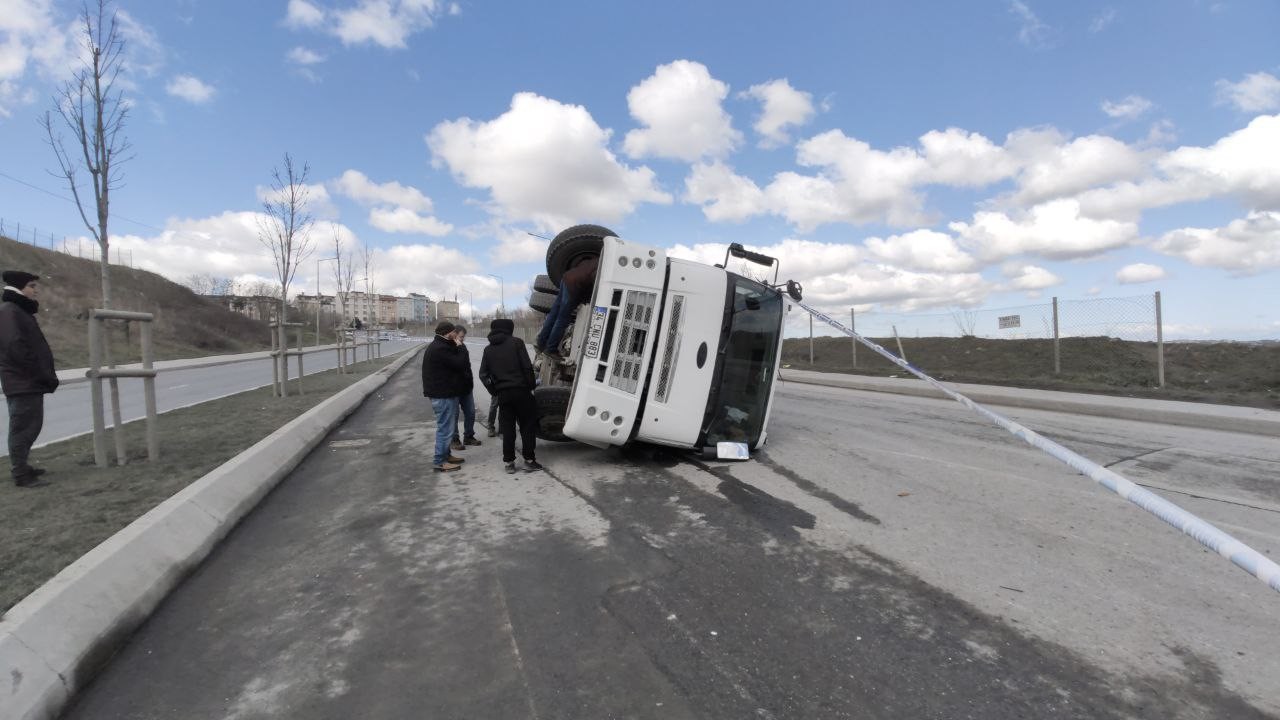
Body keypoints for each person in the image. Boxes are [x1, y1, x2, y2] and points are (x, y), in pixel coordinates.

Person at [0, 270, 58, 488]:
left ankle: (23, 466)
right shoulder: (9, 311)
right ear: (19, 287)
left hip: (27, 381)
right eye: (32, 286)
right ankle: (21, 475)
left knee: (31, 426)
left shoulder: (18, 310)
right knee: (22, 428)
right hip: (22, 381)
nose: (36, 290)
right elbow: (15, 348)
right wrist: (39, 373)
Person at [479, 318, 543, 474]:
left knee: (507, 428)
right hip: (521, 392)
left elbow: (483, 375)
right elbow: (527, 367)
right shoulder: (517, 343)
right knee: (527, 426)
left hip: (503, 394)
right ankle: (529, 460)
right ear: (509, 329)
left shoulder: (488, 350)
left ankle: (509, 463)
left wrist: (495, 391)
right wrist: (531, 386)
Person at [421, 321, 470, 472]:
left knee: (446, 427)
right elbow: (460, 363)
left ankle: (446, 455)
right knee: (445, 428)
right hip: (443, 395)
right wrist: (461, 347)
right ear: (448, 333)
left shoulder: (441, 345)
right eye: (454, 332)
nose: (457, 335)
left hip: (445, 393)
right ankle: (440, 461)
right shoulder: (440, 348)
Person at [535, 255, 599, 361]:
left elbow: (580, 263)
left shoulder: (594, 259)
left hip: (566, 278)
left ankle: (541, 343)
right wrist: (585, 299)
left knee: (554, 314)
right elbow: (595, 284)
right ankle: (551, 349)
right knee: (563, 319)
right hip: (573, 286)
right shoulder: (604, 266)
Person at [450, 325, 482, 449]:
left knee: (471, 412)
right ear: (454, 334)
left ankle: (468, 436)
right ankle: (454, 439)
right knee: (454, 414)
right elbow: (456, 365)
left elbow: (466, 366)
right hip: (453, 388)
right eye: (461, 337)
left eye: (463, 337)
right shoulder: (448, 348)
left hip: (466, 387)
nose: (463, 339)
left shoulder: (463, 347)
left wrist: (470, 382)